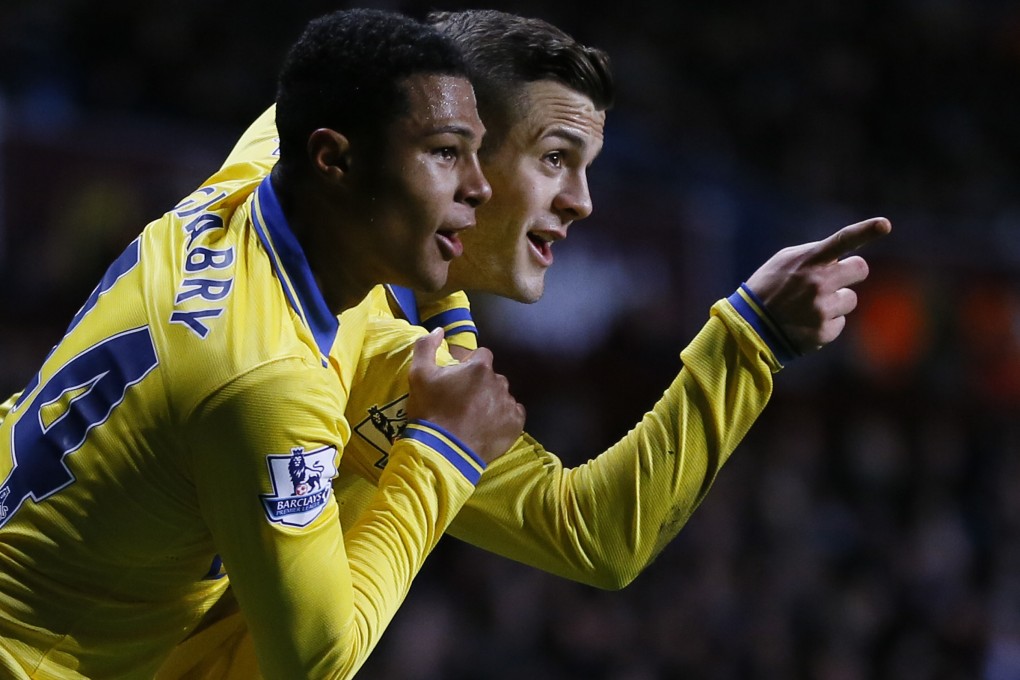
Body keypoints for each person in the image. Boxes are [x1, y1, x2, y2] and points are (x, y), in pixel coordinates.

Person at [155, 8, 892, 679]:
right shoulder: (352, 366)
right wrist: (444, 449)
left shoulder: (280, 157)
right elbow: (591, 539)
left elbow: (595, 536)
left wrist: (749, 336)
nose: (582, 200)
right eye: (554, 158)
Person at [0, 9, 526, 679]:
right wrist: (444, 453)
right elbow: (314, 660)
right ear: (335, 159)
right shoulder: (267, 380)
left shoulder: (253, 181)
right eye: (446, 153)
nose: (478, 186)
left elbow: (315, 88)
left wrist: (448, 300)